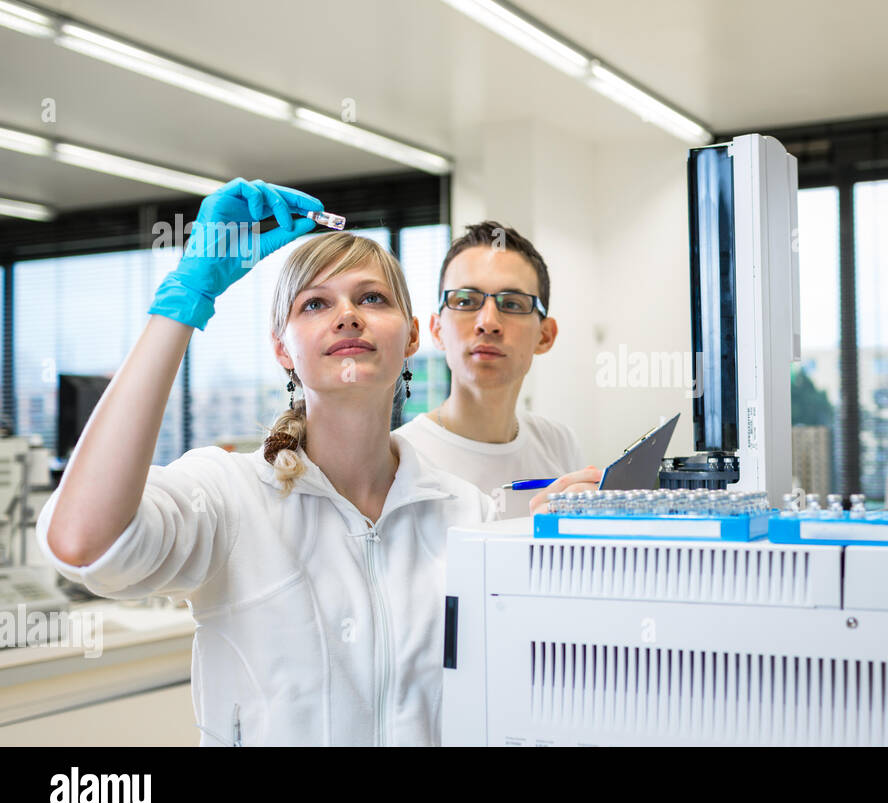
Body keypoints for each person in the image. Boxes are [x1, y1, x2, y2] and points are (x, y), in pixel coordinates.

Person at [36, 178, 494, 746]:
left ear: (412, 338)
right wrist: (185, 297)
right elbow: (82, 541)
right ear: (282, 348)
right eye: (315, 304)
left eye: (372, 298)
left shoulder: (466, 515)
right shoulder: (229, 497)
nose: (347, 315)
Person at [394, 222, 600, 518]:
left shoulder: (558, 444)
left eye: (512, 304)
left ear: (545, 336)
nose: (488, 322)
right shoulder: (400, 458)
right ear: (437, 331)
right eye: (466, 301)